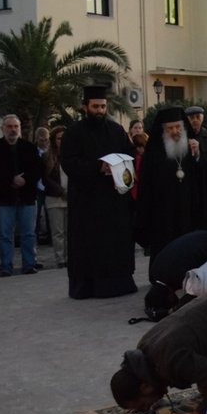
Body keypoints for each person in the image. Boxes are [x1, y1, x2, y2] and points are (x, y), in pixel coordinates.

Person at [60, 85, 137, 298]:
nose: (100, 111)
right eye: (95, 106)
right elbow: (68, 162)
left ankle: (117, 284)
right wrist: (98, 167)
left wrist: (122, 165)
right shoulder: (73, 133)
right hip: (86, 202)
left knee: (114, 243)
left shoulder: (116, 130)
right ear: (85, 107)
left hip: (114, 200)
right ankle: (86, 288)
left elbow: (129, 153)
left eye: (103, 106)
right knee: (87, 244)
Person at [136, 106, 207, 266]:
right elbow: (145, 190)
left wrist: (197, 156)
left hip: (188, 215)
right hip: (163, 217)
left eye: (178, 127)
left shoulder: (191, 150)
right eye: (170, 128)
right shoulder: (153, 155)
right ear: (162, 131)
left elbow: (202, 179)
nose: (175, 131)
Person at [0, 114, 44, 276]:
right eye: (9, 126)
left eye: (16, 126)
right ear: (3, 128)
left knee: (29, 234)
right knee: (4, 235)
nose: (13, 130)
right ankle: (6, 266)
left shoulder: (29, 147)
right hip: (4, 198)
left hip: (27, 197)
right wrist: (11, 179)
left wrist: (25, 179)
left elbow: (38, 169)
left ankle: (29, 264)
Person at [42, 126, 68, 268]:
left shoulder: (72, 155)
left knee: (69, 231)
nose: (62, 141)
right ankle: (60, 258)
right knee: (58, 232)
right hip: (54, 198)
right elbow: (45, 179)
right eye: (59, 138)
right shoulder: (47, 157)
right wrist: (60, 191)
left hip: (70, 197)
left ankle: (70, 257)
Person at [185, 104, 207, 227]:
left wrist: (198, 155)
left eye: (198, 117)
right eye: (191, 118)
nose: (195, 120)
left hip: (204, 189)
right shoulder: (181, 138)